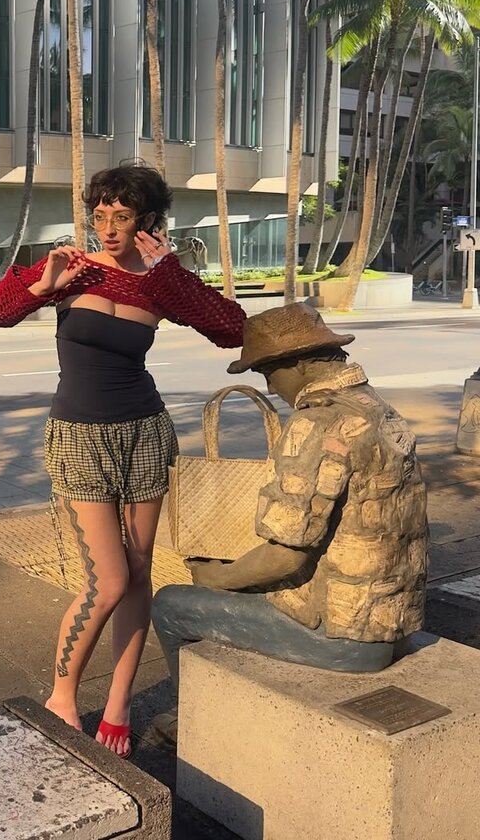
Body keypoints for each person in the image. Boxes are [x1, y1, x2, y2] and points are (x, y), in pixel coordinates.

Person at [0, 164, 246, 758]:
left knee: (140, 572)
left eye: (121, 216)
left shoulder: (160, 282)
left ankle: (120, 702)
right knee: (108, 580)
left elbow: (232, 329)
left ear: (147, 220)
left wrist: (168, 272)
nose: (107, 228)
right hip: (80, 436)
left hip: (144, 432)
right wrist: (40, 286)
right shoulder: (72, 269)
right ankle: (62, 695)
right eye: (99, 215)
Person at [148, 302, 427, 749]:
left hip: (340, 635)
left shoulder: (317, 421)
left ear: (297, 363)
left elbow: (286, 557)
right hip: (391, 620)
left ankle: (195, 722)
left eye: (268, 373)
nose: (270, 386)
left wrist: (217, 577)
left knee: (170, 604)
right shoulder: (374, 406)